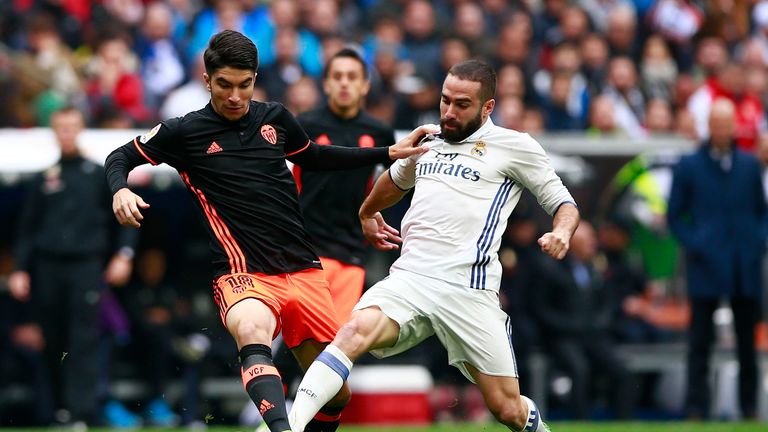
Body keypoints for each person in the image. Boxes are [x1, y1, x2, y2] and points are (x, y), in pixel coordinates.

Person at [104, 30, 431, 432]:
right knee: (251, 331)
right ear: (207, 81)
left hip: (303, 270)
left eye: (244, 85)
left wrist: (387, 153)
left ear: (255, 78)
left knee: (336, 393)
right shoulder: (184, 132)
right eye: (225, 85)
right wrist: (120, 190)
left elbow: (314, 156)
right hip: (242, 272)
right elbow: (119, 156)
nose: (235, 96)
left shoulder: (274, 118)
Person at [289, 59, 579, 432]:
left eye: (462, 105)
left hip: (468, 291)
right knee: (353, 332)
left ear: (487, 107)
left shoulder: (515, 146)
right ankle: (286, 427)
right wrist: (366, 212)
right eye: (445, 100)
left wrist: (562, 232)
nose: (449, 112)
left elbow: (563, 203)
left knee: (507, 408)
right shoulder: (427, 138)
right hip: (411, 278)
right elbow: (395, 181)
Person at [9, 106, 138, 427]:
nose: (66, 134)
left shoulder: (97, 175)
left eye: (71, 127)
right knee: (51, 340)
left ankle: (80, 412)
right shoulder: (44, 179)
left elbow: (124, 220)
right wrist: (20, 269)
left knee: (83, 341)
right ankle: (59, 410)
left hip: (86, 267)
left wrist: (124, 254)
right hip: (47, 269)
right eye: (61, 128)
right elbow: (26, 230)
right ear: (54, 132)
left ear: (81, 130)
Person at [667, 97, 767, 420]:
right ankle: (697, 406)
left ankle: (749, 407)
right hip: (705, 267)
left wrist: (757, 241)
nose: (722, 129)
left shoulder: (749, 165)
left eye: (727, 123)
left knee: (747, 345)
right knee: (700, 343)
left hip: (743, 266)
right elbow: (674, 215)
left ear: (734, 126)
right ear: (708, 126)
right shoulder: (690, 165)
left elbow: (761, 212)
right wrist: (695, 243)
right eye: (716, 123)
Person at [294, 47, 396, 322]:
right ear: (326, 84)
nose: (344, 82)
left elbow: (397, 182)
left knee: (335, 341)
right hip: (306, 248)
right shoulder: (303, 125)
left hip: (352, 249)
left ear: (365, 86)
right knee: (306, 335)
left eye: (352, 76)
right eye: (337, 76)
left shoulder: (379, 132)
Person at [531, 221, 634, 419]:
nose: (594, 244)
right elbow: (541, 309)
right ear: (572, 242)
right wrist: (570, 326)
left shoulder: (595, 268)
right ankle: (581, 422)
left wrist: (598, 323)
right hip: (563, 337)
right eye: (588, 240)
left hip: (592, 335)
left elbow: (608, 302)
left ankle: (624, 422)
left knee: (622, 371)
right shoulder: (550, 267)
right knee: (579, 369)